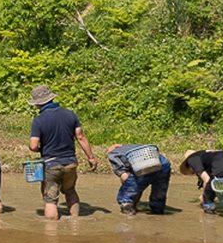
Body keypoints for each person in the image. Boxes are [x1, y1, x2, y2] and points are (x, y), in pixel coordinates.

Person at [28, 84, 97, 220]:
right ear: (51, 99)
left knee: (50, 199)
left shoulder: (38, 120)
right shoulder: (70, 114)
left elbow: (33, 145)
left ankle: (52, 230)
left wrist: (41, 148)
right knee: (70, 190)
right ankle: (75, 223)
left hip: (51, 165)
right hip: (70, 163)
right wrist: (91, 157)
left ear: (37, 104)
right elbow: (81, 137)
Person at [179, 148, 223, 217]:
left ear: (189, 166)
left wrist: (204, 196)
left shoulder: (192, 159)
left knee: (207, 197)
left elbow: (207, 180)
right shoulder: (208, 155)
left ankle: (209, 219)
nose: (194, 173)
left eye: (193, 172)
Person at [104, 144, 171, 216]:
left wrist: (128, 185)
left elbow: (125, 176)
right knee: (159, 192)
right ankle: (157, 210)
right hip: (163, 164)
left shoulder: (112, 153)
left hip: (142, 166)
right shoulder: (133, 146)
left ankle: (128, 210)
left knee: (128, 193)